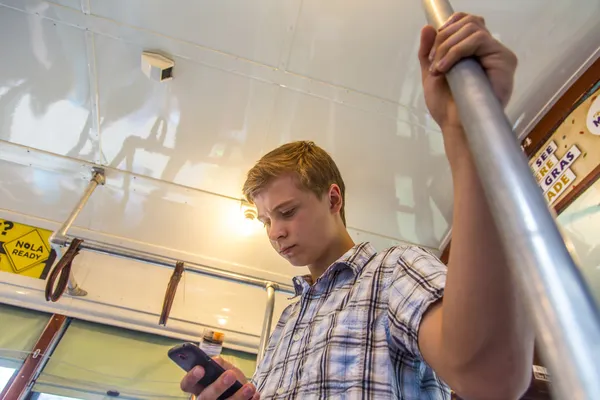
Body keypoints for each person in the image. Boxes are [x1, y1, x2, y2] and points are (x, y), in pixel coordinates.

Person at [180, 12, 534, 400]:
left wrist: (465, 132)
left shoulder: (393, 272)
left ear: (333, 199)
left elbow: (489, 375)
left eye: (286, 212)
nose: (275, 232)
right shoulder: (287, 318)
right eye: (265, 220)